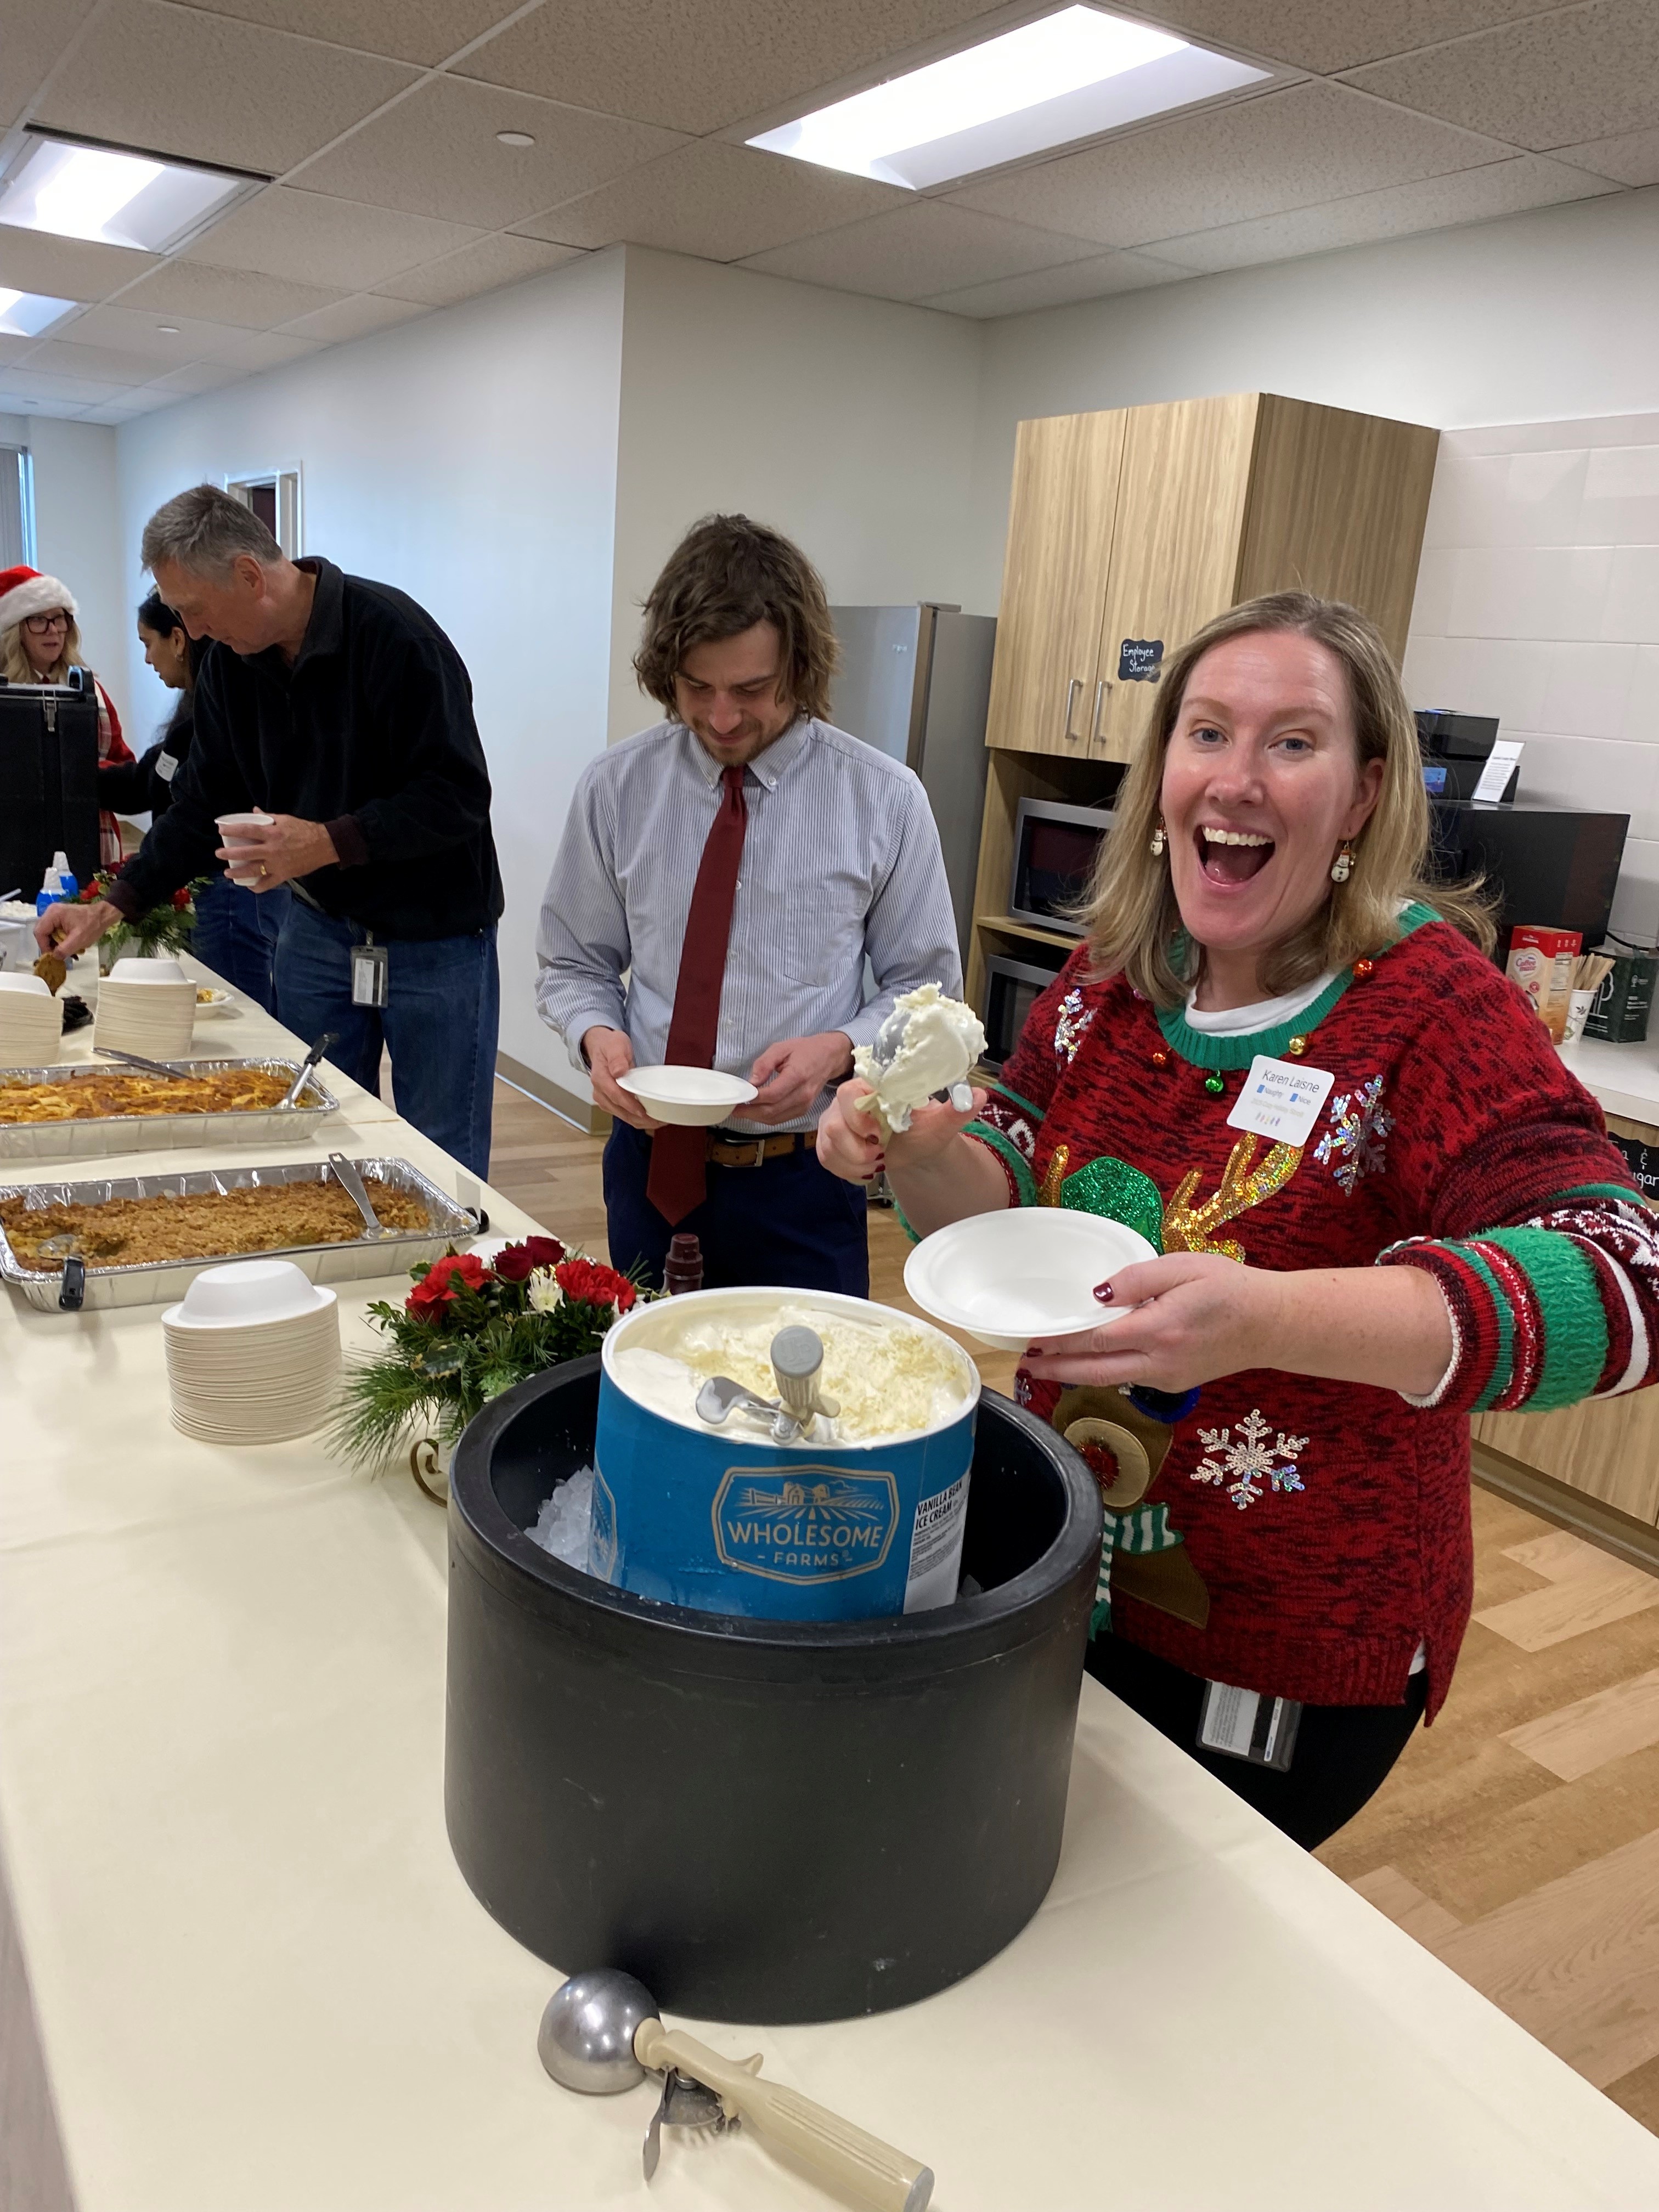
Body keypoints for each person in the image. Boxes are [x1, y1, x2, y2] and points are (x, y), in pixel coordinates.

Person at [817, 591, 1659, 1850]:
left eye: (1293, 742)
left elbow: (1632, 1274)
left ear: (1366, 795)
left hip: (1287, 1647)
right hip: (1066, 1559)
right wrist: (925, 1151)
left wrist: (1266, 1319)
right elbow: (1005, 1184)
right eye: (1207, 732)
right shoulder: (1114, 975)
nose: (1237, 778)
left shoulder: (1430, 1006)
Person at [537, 512, 960, 1296]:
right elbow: (573, 963)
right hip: (650, 1170)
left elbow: (927, 997)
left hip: (805, 1183)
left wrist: (840, 1048)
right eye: (697, 688)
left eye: (751, 690)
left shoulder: (886, 800)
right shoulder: (616, 788)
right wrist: (595, 1034)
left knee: (810, 1375)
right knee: (644, 1363)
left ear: (800, 668)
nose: (723, 718)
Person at [35, 487, 503, 1178]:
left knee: (441, 1150)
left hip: (435, 938)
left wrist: (325, 842)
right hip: (318, 930)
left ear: (250, 575)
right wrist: (110, 907)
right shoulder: (232, 664)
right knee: (315, 1128)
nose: (191, 631)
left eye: (194, 609)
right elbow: (201, 802)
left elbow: (456, 794)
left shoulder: (396, 638)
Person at [93, 592, 286, 1012]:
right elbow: (147, 784)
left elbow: (186, 804)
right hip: (226, 886)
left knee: (239, 1015)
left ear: (179, 640)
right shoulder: (194, 716)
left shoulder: (210, 715)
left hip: (231, 887)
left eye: (148, 643)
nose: (147, 658)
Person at [0, 564, 134, 870]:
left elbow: (125, 765)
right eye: (38, 620)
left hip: (89, 836)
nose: (53, 630)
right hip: (15, 840)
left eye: (59, 618)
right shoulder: (5, 696)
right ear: (15, 630)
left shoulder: (91, 692)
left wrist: (80, 775)